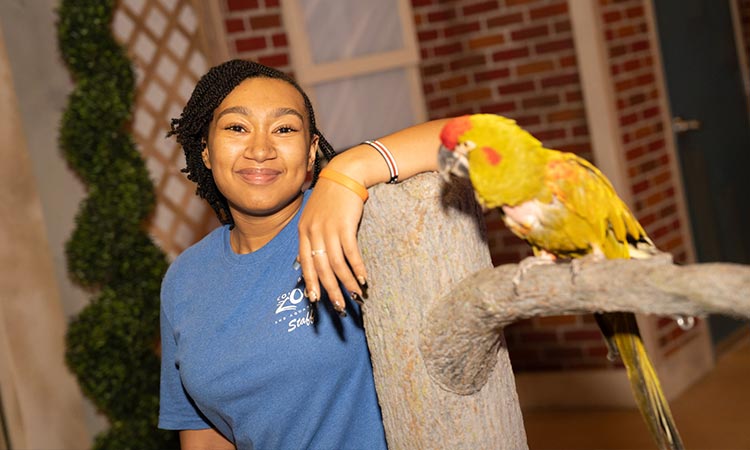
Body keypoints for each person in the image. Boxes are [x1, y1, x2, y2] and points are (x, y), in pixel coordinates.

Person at [158, 59, 446, 450]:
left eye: (284, 129)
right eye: (237, 128)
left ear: (311, 152)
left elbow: (476, 139)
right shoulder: (184, 278)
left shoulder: (352, 220)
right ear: (206, 151)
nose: (260, 149)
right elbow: (205, 435)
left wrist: (346, 171)